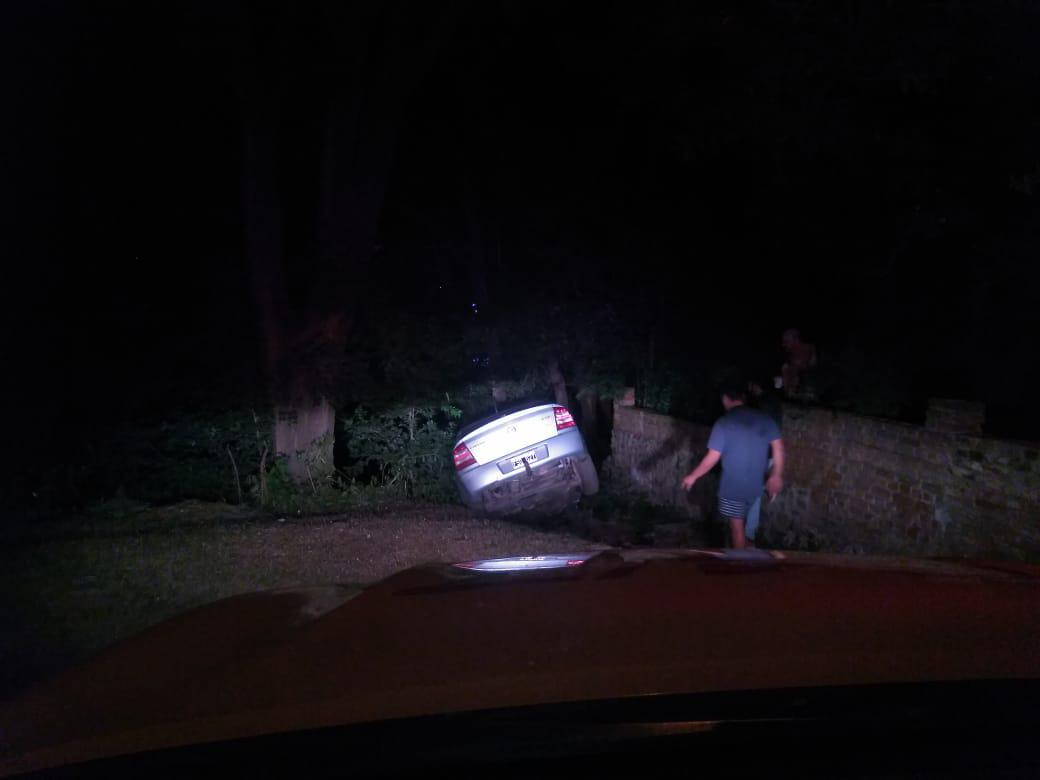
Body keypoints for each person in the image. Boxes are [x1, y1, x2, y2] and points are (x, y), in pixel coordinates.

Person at [680, 381, 784, 549]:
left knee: (736, 530)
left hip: (733, 487)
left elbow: (711, 458)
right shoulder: (765, 420)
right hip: (755, 486)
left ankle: (740, 563)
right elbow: (778, 448)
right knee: (744, 529)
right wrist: (776, 475)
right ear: (744, 397)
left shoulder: (724, 423)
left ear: (725, 399)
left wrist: (693, 476)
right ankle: (751, 556)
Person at [780, 328, 817, 399]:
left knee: (786, 368)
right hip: (802, 386)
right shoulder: (792, 353)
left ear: (796, 340)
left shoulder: (805, 348)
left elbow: (804, 367)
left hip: (809, 385)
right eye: (784, 341)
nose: (783, 344)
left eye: (786, 341)